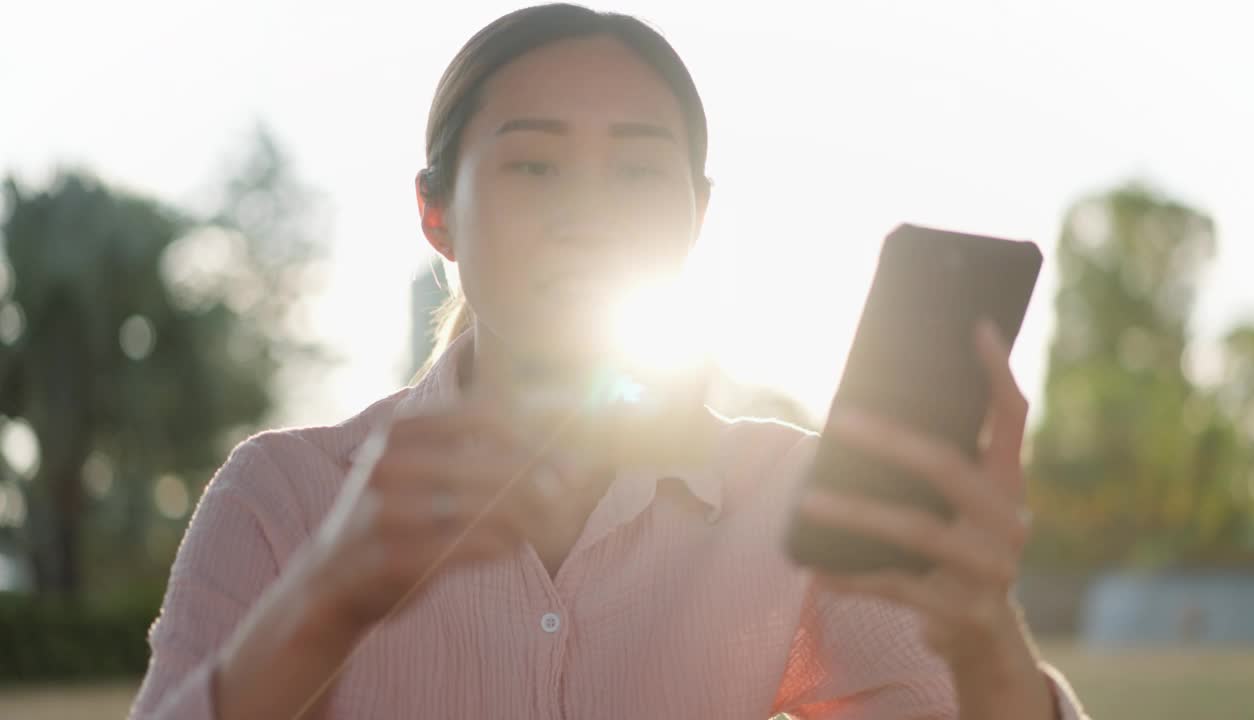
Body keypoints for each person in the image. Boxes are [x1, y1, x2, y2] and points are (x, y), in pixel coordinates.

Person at [129, 4, 1089, 718]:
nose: (589, 213)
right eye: (534, 164)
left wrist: (984, 641)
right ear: (436, 213)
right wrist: (325, 602)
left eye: (637, 170)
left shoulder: (791, 498)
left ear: (696, 218)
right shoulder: (283, 497)